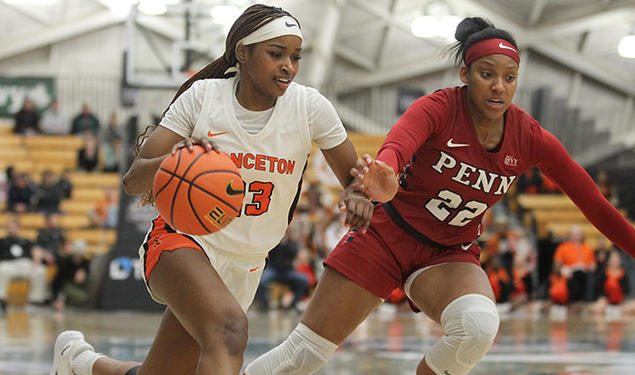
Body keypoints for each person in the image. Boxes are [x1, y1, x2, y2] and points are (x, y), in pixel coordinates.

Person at [244, 17, 635, 375]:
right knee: (303, 355)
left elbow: (596, 206)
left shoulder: (529, 137)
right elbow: (397, 146)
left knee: (477, 327)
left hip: (447, 253)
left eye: (510, 77)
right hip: (384, 237)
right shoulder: (438, 108)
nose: (499, 86)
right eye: (487, 74)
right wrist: (386, 173)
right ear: (465, 74)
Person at [50, 4, 372, 375]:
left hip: (246, 260)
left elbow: (353, 182)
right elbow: (133, 180)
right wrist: (180, 159)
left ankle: (78, 362)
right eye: (276, 54)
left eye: (295, 57)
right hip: (182, 241)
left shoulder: (310, 107)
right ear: (243, 52)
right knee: (230, 332)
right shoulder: (204, 98)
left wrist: (359, 196)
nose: (288, 66)